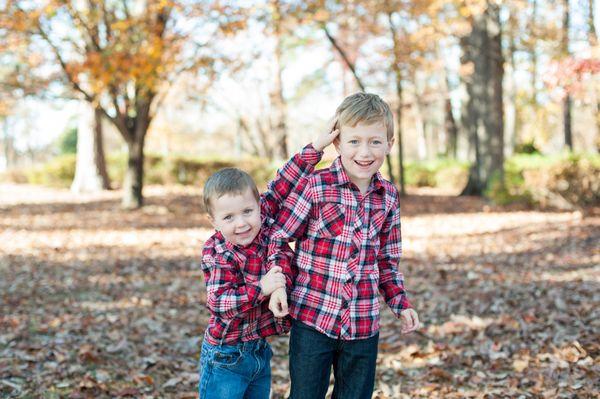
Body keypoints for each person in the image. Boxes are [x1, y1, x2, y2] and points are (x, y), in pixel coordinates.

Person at [267, 92, 420, 399]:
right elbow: (280, 238)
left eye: (375, 141)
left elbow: (387, 260)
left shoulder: (388, 196)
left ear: (390, 144)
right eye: (354, 141)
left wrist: (400, 302)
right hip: (313, 320)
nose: (365, 151)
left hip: (363, 325)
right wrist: (279, 283)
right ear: (337, 143)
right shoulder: (316, 186)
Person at [198, 126, 340, 399]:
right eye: (228, 218)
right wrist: (261, 288)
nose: (241, 223)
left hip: (259, 351)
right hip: (226, 354)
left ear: (259, 206)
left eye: (248, 211)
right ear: (214, 222)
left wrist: (317, 147)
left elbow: (284, 183)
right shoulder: (218, 251)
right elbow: (219, 302)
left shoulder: (264, 225)